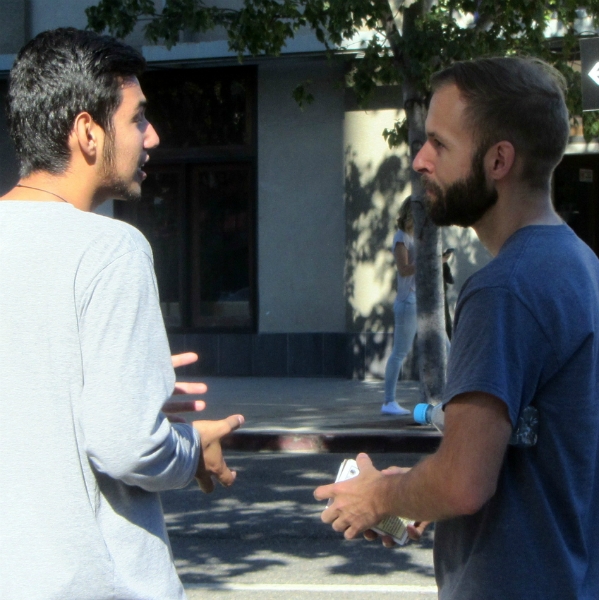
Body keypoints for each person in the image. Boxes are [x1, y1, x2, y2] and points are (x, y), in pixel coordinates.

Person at [315, 56, 599, 600]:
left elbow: (464, 482)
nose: (420, 160)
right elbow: (528, 456)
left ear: (498, 160)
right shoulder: (579, 264)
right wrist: (410, 492)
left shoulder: (503, 289)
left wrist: (381, 498)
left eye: (439, 144)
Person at [0, 28, 243, 600]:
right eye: (137, 119)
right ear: (88, 131)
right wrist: (189, 445)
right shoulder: (112, 247)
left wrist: (134, 385)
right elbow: (127, 445)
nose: (152, 136)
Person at [381, 199, 417, 415]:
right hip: (408, 301)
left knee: (445, 347)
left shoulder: (417, 236)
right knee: (400, 352)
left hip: (422, 302)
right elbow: (404, 269)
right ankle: (388, 401)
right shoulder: (401, 237)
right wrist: (433, 261)